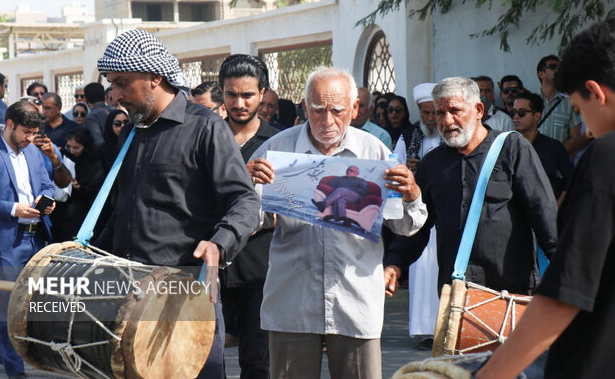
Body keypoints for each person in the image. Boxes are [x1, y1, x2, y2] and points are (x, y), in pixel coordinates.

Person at [94, 29, 261, 378]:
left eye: (123, 83)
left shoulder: (206, 128)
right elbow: (124, 209)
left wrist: (220, 243)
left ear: (155, 77)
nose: (116, 95)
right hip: (129, 292)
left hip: (183, 295)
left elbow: (245, 201)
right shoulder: (131, 132)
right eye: (112, 84)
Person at [248, 67, 427, 379]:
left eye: (337, 110)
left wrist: (411, 193)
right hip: (292, 302)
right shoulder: (277, 150)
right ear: (305, 107)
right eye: (317, 110)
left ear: (355, 108)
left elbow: (406, 227)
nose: (327, 121)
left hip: (355, 304)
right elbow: (251, 221)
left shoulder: (375, 152)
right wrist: (249, 186)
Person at [476, 19, 615, 379]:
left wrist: (491, 374)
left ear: (595, 92)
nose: (585, 129)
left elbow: (567, 291)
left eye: (581, 111)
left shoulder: (605, 156)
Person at [384, 77, 558, 297]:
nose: (446, 121)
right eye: (440, 113)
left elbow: (543, 213)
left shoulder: (512, 149)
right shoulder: (432, 164)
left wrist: (564, 274)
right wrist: (395, 264)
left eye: (455, 110)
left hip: (512, 291)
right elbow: (418, 225)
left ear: (478, 110)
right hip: (456, 294)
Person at [218, 53, 280, 379]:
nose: (239, 103)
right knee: (204, 359)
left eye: (247, 95)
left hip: (261, 267)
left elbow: (289, 207)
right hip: (211, 262)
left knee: (259, 363)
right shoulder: (206, 138)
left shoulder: (280, 143)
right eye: (231, 94)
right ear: (222, 93)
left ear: (263, 94)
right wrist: (242, 174)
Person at [0, 101, 55, 379]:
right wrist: (11, 208)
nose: (30, 139)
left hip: (38, 240)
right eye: (25, 133)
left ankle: (42, 360)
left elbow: (46, 184)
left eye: (33, 133)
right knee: (7, 312)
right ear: (9, 124)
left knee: (36, 307)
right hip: (7, 242)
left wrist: (48, 199)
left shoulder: (32, 152)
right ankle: (16, 373)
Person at [392, 82, 442, 349]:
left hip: (444, 214)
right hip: (418, 214)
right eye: (425, 114)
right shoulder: (410, 136)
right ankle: (425, 330)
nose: (431, 119)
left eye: (434, 113)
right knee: (422, 273)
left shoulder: (451, 133)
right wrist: (407, 170)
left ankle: (447, 329)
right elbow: (394, 168)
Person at [512, 91, 573, 200]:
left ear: (536, 116)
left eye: (521, 112)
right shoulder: (507, 146)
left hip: (545, 208)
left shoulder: (554, 147)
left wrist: (557, 207)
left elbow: (570, 180)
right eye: (513, 112)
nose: (516, 117)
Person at [54, 127, 105, 241]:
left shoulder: (93, 163)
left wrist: (80, 188)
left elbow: (95, 188)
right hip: (60, 213)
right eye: (69, 146)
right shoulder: (63, 156)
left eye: (76, 147)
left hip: (81, 213)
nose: (72, 151)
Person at [536, 54, 590, 155]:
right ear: (541, 74)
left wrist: (557, 156)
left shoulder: (570, 102)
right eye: (553, 67)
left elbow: (575, 137)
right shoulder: (530, 101)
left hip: (559, 167)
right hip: (533, 164)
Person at [84, 82, 113, 147]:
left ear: (85, 100)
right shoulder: (116, 111)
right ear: (104, 97)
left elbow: (98, 143)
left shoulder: (91, 117)